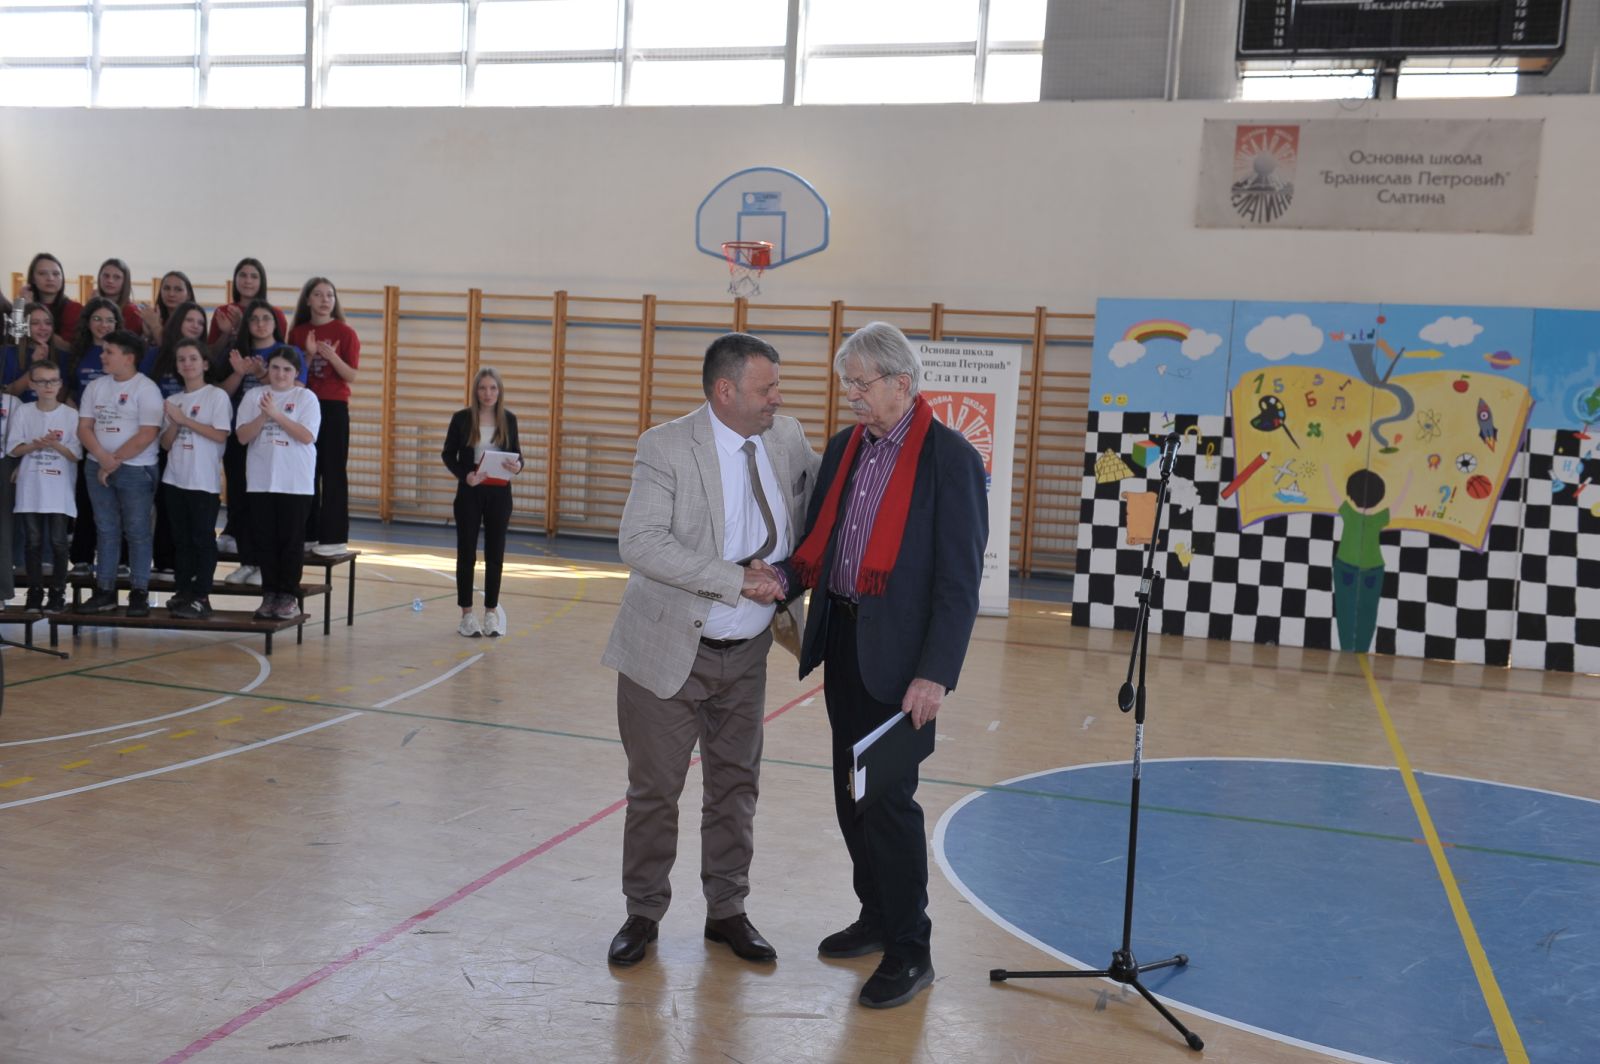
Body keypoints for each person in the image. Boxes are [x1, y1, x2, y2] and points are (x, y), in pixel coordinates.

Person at [767, 321, 987, 1010]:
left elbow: (960, 581)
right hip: (844, 644)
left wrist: (935, 673)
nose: (852, 396)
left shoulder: (950, 459)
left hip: (902, 665)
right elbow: (820, 541)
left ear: (901, 382)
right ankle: (876, 914)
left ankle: (911, 949)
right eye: (847, 384)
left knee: (888, 803)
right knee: (851, 795)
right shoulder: (845, 448)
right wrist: (781, 579)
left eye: (861, 384)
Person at [599, 332, 820, 968]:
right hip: (667, 649)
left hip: (748, 653)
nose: (778, 399)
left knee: (736, 786)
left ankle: (727, 910)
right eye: (767, 389)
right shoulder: (666, 446)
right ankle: (643, 912)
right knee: (655, 791)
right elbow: (640, 542)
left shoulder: (786, 437)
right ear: (725, 391)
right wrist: (735, 579)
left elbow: (822, 506)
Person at [215, 298, 304, 586]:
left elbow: (296, 388)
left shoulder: (287, 353)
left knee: (272, 509)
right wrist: (240, 372)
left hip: (278, 439)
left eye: (266, 318)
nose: (260, 323)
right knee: (241, 499)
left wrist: (260, 373)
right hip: (243, 433)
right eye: (254, 319)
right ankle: (248, 561)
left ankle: (267, 568)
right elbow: (221, 392)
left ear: (275, 323)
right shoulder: (236, 352)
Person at [76, 330, 164, 616]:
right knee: (106, 529)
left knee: (137, 531)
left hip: (136, 469)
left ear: (129, 358)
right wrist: (102, 458)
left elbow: (148, 433)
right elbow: (84, 427)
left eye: (109, 352)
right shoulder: (96, 387)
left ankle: (139, 592)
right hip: (97, 466)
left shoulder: (146, 389)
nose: (102, 356)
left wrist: (113, 461)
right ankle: (105, 590)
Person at [235, 346, 320, 620]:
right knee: (265, 541)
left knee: (291, 541)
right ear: (267, 369)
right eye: (275, 368)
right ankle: (270, 593)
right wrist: (263, 415)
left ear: (296, 373)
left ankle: (288, 595)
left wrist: (277, 414)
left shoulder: (305, 397)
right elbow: (242, 437)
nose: (280, 374)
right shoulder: (254, 396)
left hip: (294, 483)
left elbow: (306, 436)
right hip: (261, 482)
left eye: (287, 369)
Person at [441, 367, 522, 637]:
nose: (488, 393)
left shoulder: (509, 420)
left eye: (493, 388)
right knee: (466, 553)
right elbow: (448, 454)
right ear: (476, 391)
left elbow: (518, 455)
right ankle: (466, 615)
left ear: (499, 391)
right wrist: (466, 476)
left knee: (495, 554)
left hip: (499, 493)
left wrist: (517, 466)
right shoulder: (462, 419)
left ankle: (490, 614)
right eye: (483, 388)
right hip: (470, 491)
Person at [159, 338, 233, 619]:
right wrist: (174, 422)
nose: (187, 364)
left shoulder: (216, 396)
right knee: (181, 540)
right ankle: (183, 591)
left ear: (204, 364)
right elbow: (166, 444)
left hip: (202, 481)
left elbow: (220, 435)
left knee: (202, 539)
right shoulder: (173, 401)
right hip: (174, 479)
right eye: (181, 359)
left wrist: (184, 420)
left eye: (192, 358)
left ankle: (201, 595)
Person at [287, 277, 359, 555]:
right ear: (308, 300)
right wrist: (308, 355)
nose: (325, 299)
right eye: (318, 294)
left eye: (330, 295)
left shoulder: (345, 332)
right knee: (307, 470)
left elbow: (351, 375)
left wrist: (332, 357)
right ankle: (309, 533)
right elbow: (291, 373)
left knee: (333, 471)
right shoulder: (298, 332)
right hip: (304, 405)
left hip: (333, 406)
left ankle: (334, 537)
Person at [10, 360, 81, 614]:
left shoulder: (70, 415)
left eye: (53, 381)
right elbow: (14, 448)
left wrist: (55, 444)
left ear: (60, 384)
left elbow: (76, 454)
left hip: (58, 489)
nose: (48, 386)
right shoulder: (24, 412)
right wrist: (35, 445)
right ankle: (34, 591)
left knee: (59, 542)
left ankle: (58, 592)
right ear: (32, 385)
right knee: (33, 541)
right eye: (42, 381)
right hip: (31, 487)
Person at [143, 301, 208, 576]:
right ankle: (163, 559)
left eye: (200, 322)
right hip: (155, 434)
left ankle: (186, 565)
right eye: (190, 320)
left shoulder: (202, 357)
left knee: (187, 503)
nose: (195, 326)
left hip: (192, 437)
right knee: (162, 500)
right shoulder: (156, 355)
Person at [1323, 465, 1412, 653]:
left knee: (1345, 608)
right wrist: (1407, 482)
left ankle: (1347, 647)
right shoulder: (1379, 518)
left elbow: (1333, 492)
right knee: (1369, 610)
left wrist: (1327, 471)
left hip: (1345, 565)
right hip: (1373, 568)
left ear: (1351, 493)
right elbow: (1398, 503)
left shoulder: (1349, 513)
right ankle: (1362, 649)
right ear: (1380, 496)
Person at [64, 298, 123, 576]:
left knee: (118, 498)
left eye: (110, 320)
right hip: (85, 434)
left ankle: (119, 559)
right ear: (87, 322)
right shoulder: (77, 353)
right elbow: (67, 393)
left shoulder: (124, 354)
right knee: (86, 497)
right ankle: (82, 557)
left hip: (116, 436)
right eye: (97, 319)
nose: (103, 325)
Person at [208, 258, 286, 352]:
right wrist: (227, 333)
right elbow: (211, 354)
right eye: (243, 275)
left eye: (254, 276)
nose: (248, 281)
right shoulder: (223, 312)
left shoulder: (276, 314)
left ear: (262, 281)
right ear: (235, 279)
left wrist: (242, 325)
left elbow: (281, 353)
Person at [17, 253, 81, 350]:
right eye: (42, 273)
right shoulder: (22, 304)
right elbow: (15, 341)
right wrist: (23, 308)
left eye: (56, 274)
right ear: (33, 279)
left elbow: (70, 348)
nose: (50, 278)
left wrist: (33, 310)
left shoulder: (74, 308)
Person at [3, 303, 55, 400]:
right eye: (35, 323)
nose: (43, 327)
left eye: (48, 323)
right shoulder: (6, 353)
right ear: (24, 326)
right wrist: (35, 367)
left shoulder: (61, 355)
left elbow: (60, 398)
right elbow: (6, 395)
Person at [90, 258, 145, 337]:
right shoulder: (93, 304)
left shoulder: (132, 312)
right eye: (106, 276)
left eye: (117, 277)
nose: (110, 280)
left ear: (125, 281)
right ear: (99, 278)